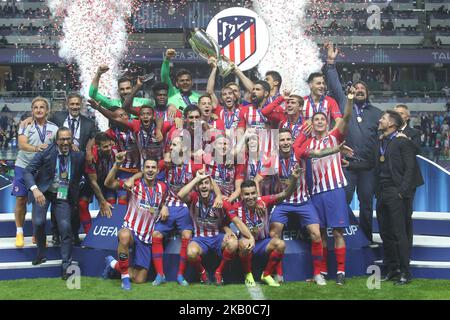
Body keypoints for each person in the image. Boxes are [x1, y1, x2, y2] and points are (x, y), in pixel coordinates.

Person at [293, 88, 355, 285]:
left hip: (335, 190)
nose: (319, 122)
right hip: (316, 193)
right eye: (315, 120)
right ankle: (320, 272)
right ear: (311, 124)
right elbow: (295, 150)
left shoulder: (335, 136)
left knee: (337, 232)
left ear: (327, 122)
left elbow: (346, 116)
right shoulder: (308, 144)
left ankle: (341, 272)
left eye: (322, 119)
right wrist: (303, 134)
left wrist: (350, 100)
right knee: (318, 235)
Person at [324, 42, 383, 244]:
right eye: (356, 88)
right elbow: (335, 85)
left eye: (363, 88)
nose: (359, 90)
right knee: (344, 201)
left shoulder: (377, 114)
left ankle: (366, 238)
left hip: (368, 168)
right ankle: (345, 236)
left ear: (368, 93)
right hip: (347, 166)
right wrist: (331, 63)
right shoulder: (344, 103)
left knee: (367, 204)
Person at [23, 127, 85, 280]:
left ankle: (66, 265)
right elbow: (27, 171)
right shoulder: (46, 153)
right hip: (43, 192)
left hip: (62, 195)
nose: (65, 142)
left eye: (68, 139)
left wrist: (75, 197)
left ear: (71, 140)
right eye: (62, 139)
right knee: (38, 222)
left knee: (65, 227)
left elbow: (79, 177)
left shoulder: (78, 155)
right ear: (56, 140)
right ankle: (41, 253)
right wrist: (35, 190)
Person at [103, 152, 169, 290]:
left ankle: (114, 264)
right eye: (147, 167)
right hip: (131, 229)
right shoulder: (134, 184)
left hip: (146, 237)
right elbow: (108, 183)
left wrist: (165, 207)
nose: (150, 170)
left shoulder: (162, 187)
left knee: (140, 279)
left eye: (153, 167)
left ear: (157, 171)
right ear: (143, 170)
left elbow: (163, 202)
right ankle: (125, 279)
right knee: (124, 236)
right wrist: (117, 164)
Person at [374, 110, 424, 285]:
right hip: (381, 192)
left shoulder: (402, 141)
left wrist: (401, 191)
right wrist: (350, 162)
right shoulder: (381, 141)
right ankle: (392, 269)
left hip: (396, 192)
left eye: (383, 118)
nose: (380, 120)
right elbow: (375, 165)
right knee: (385, 232)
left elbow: (410, 168)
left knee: (399, 233)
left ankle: (405, 272)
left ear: (392, 124)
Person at [228, 169, 300, 287]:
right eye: (246, 194)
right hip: (245, 244)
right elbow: (224, 220)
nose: (250, 197)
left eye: (253, 193)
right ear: (241, 195)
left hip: (263, 243)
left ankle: (266, 275)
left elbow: (285, 194)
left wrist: (295, 179)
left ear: (257, 193)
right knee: (244, 243)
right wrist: (228, 231)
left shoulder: (264, 202)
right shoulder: (236, 207)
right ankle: (248, 275)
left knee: (280, 244)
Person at [48, 93, 98, 245]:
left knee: (75, 204)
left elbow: (95, 137)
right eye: (72, 104)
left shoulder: (89, 123)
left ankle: (74, 234)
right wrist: (28, 120)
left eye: (78, 104)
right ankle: (56, 233)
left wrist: (88, 150)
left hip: (77, 170)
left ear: (81, 105)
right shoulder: (57, 118)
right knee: (57, 201)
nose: (75, 107)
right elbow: (44, 122)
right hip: (60, 166)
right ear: (67, 104)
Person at [177, 171, 242, 285]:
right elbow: (180, 194)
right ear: (197, 186)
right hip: (200, 239)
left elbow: (234, 220)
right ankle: (202, 273)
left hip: (218, 237)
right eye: (201, 184)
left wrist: (228, 229)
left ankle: (219, 272)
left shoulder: (221, 201)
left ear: (211, 186)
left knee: (233, 243)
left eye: (206, 183)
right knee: (191, 253)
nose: (203, 186)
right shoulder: (194, 198)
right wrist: (197, 179)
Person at [13, 97, 58, 248]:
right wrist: (36, 149)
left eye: (42, 107)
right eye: (36, 107)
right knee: (21, 199)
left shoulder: (54, 128)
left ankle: (36, 232)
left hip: (41, 169)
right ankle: (19, 232)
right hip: (24, 165)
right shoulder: (25, 125)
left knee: (39, 202)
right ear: (32, 110)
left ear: (47, 110)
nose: (39, 110)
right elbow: (22, 144)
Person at [82, 132, 118, 233]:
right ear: (97, 147)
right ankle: (89, 234)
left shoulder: (115, 153)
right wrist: (102, 201)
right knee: (82, 204)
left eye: (110, 145)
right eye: (105, 147)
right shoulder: (91, 158)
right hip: (92, 182)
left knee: (111, 204)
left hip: (107, 182)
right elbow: (93, 182)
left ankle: (108, 234)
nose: (109, 148)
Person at [89, 65, 154, 117]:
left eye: (128, 88)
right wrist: (98, 74)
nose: (125, 91)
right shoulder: (113, 104)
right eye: (122, 89)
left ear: (132, 89)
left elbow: (160, 106)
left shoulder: (144, 102)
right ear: (118, 91)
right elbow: (92, 94)